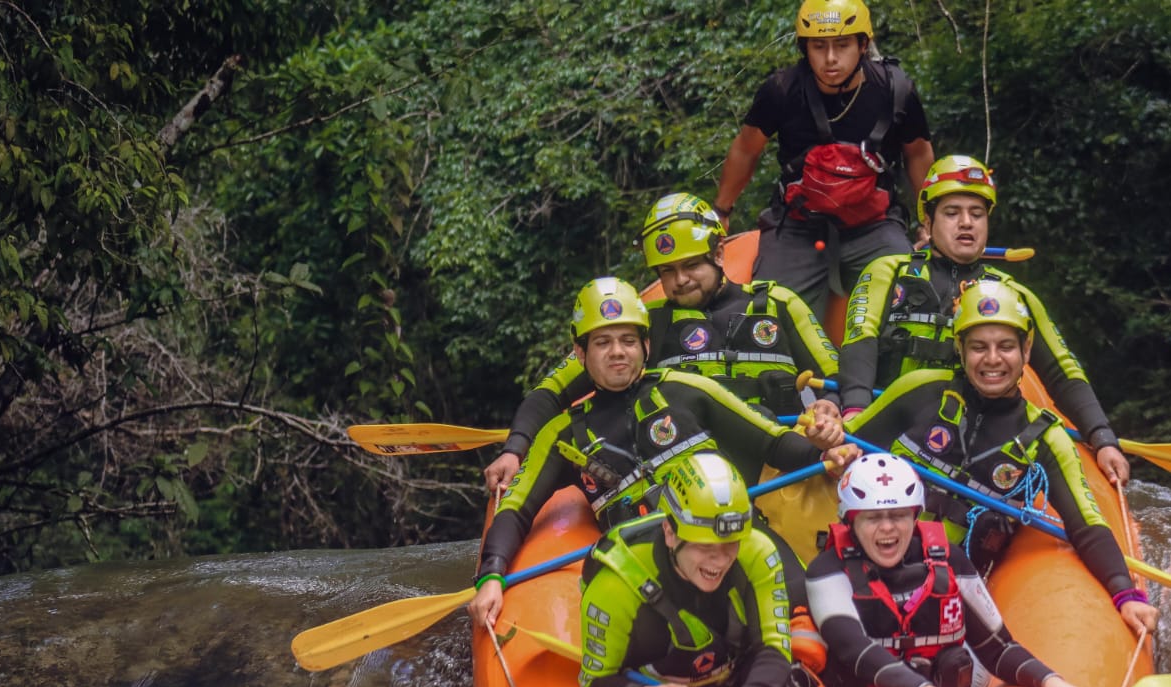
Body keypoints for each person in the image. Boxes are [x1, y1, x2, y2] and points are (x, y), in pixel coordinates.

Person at [468, 277, 839, 632]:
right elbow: (515, 509)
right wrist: (492, 576)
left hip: (731, 537)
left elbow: (772, 442)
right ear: (580, 353)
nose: (617, 352)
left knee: (784, 581)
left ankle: (804, 636)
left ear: (646, 347)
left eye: (628, 340)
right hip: (653, 566)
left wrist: (824, 451)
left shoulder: (685, 388)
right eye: (602, 343)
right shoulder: (562, 434)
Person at [838, 278, 1159, 637]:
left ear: (1026, 350)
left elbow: (1086, 525)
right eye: (979, 347)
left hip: (947, 589)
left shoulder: (1046, 439)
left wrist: (1125, 594)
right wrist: (826, 436)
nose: (992, 359)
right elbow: (842, 447)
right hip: (865, 566)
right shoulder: (920, 390)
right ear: (960, 350)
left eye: (1006, 346)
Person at [483, 194, 845, 492]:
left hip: (786, 464)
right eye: (667, 271)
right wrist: (515, 450)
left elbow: (837, 377)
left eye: (690, 266)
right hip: (693, 478)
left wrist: (829, 406)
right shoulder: (642, 325)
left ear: (719, 254)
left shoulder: (778, 303)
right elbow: (551, 392)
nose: (680, 280)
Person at [836, 154, 1131, 484]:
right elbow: (859, 340)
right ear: (928, 224)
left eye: (976, 214)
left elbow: (1063, 371)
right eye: (952, 213)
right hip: (888, 429)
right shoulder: (888, 272)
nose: (966, 222)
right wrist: (857, 417)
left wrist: (1102, 437)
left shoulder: (1009, 293)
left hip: (967, 446)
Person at [804, 453, 1089, 687]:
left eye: (899, 515)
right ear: (851, 522)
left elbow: (998, 648)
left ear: (915, 517)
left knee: (961, 662)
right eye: (873, 518)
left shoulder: (948, 559)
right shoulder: (827, 571)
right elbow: (855, 649)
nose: (888, 527)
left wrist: (1049, 679)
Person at [713, 0, 935, 317]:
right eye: (819, 46)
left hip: (874, 225)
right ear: (805, 48)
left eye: (842, 45)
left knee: (911, 302)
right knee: (769, 319)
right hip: (798, 225)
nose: (830, 58)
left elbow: (918, 153)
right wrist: (721, 210)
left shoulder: (895, 91)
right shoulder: (782, 90)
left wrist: (930, 220)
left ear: (862, 44)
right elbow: (746, 148)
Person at [578, 452, 816, 687]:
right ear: (670, 532)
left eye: (730, 544)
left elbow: (774, 648)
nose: (720, 560)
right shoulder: (614, 583)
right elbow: (594, 684)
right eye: (705, 546)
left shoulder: (756, 552)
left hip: (735, 676)